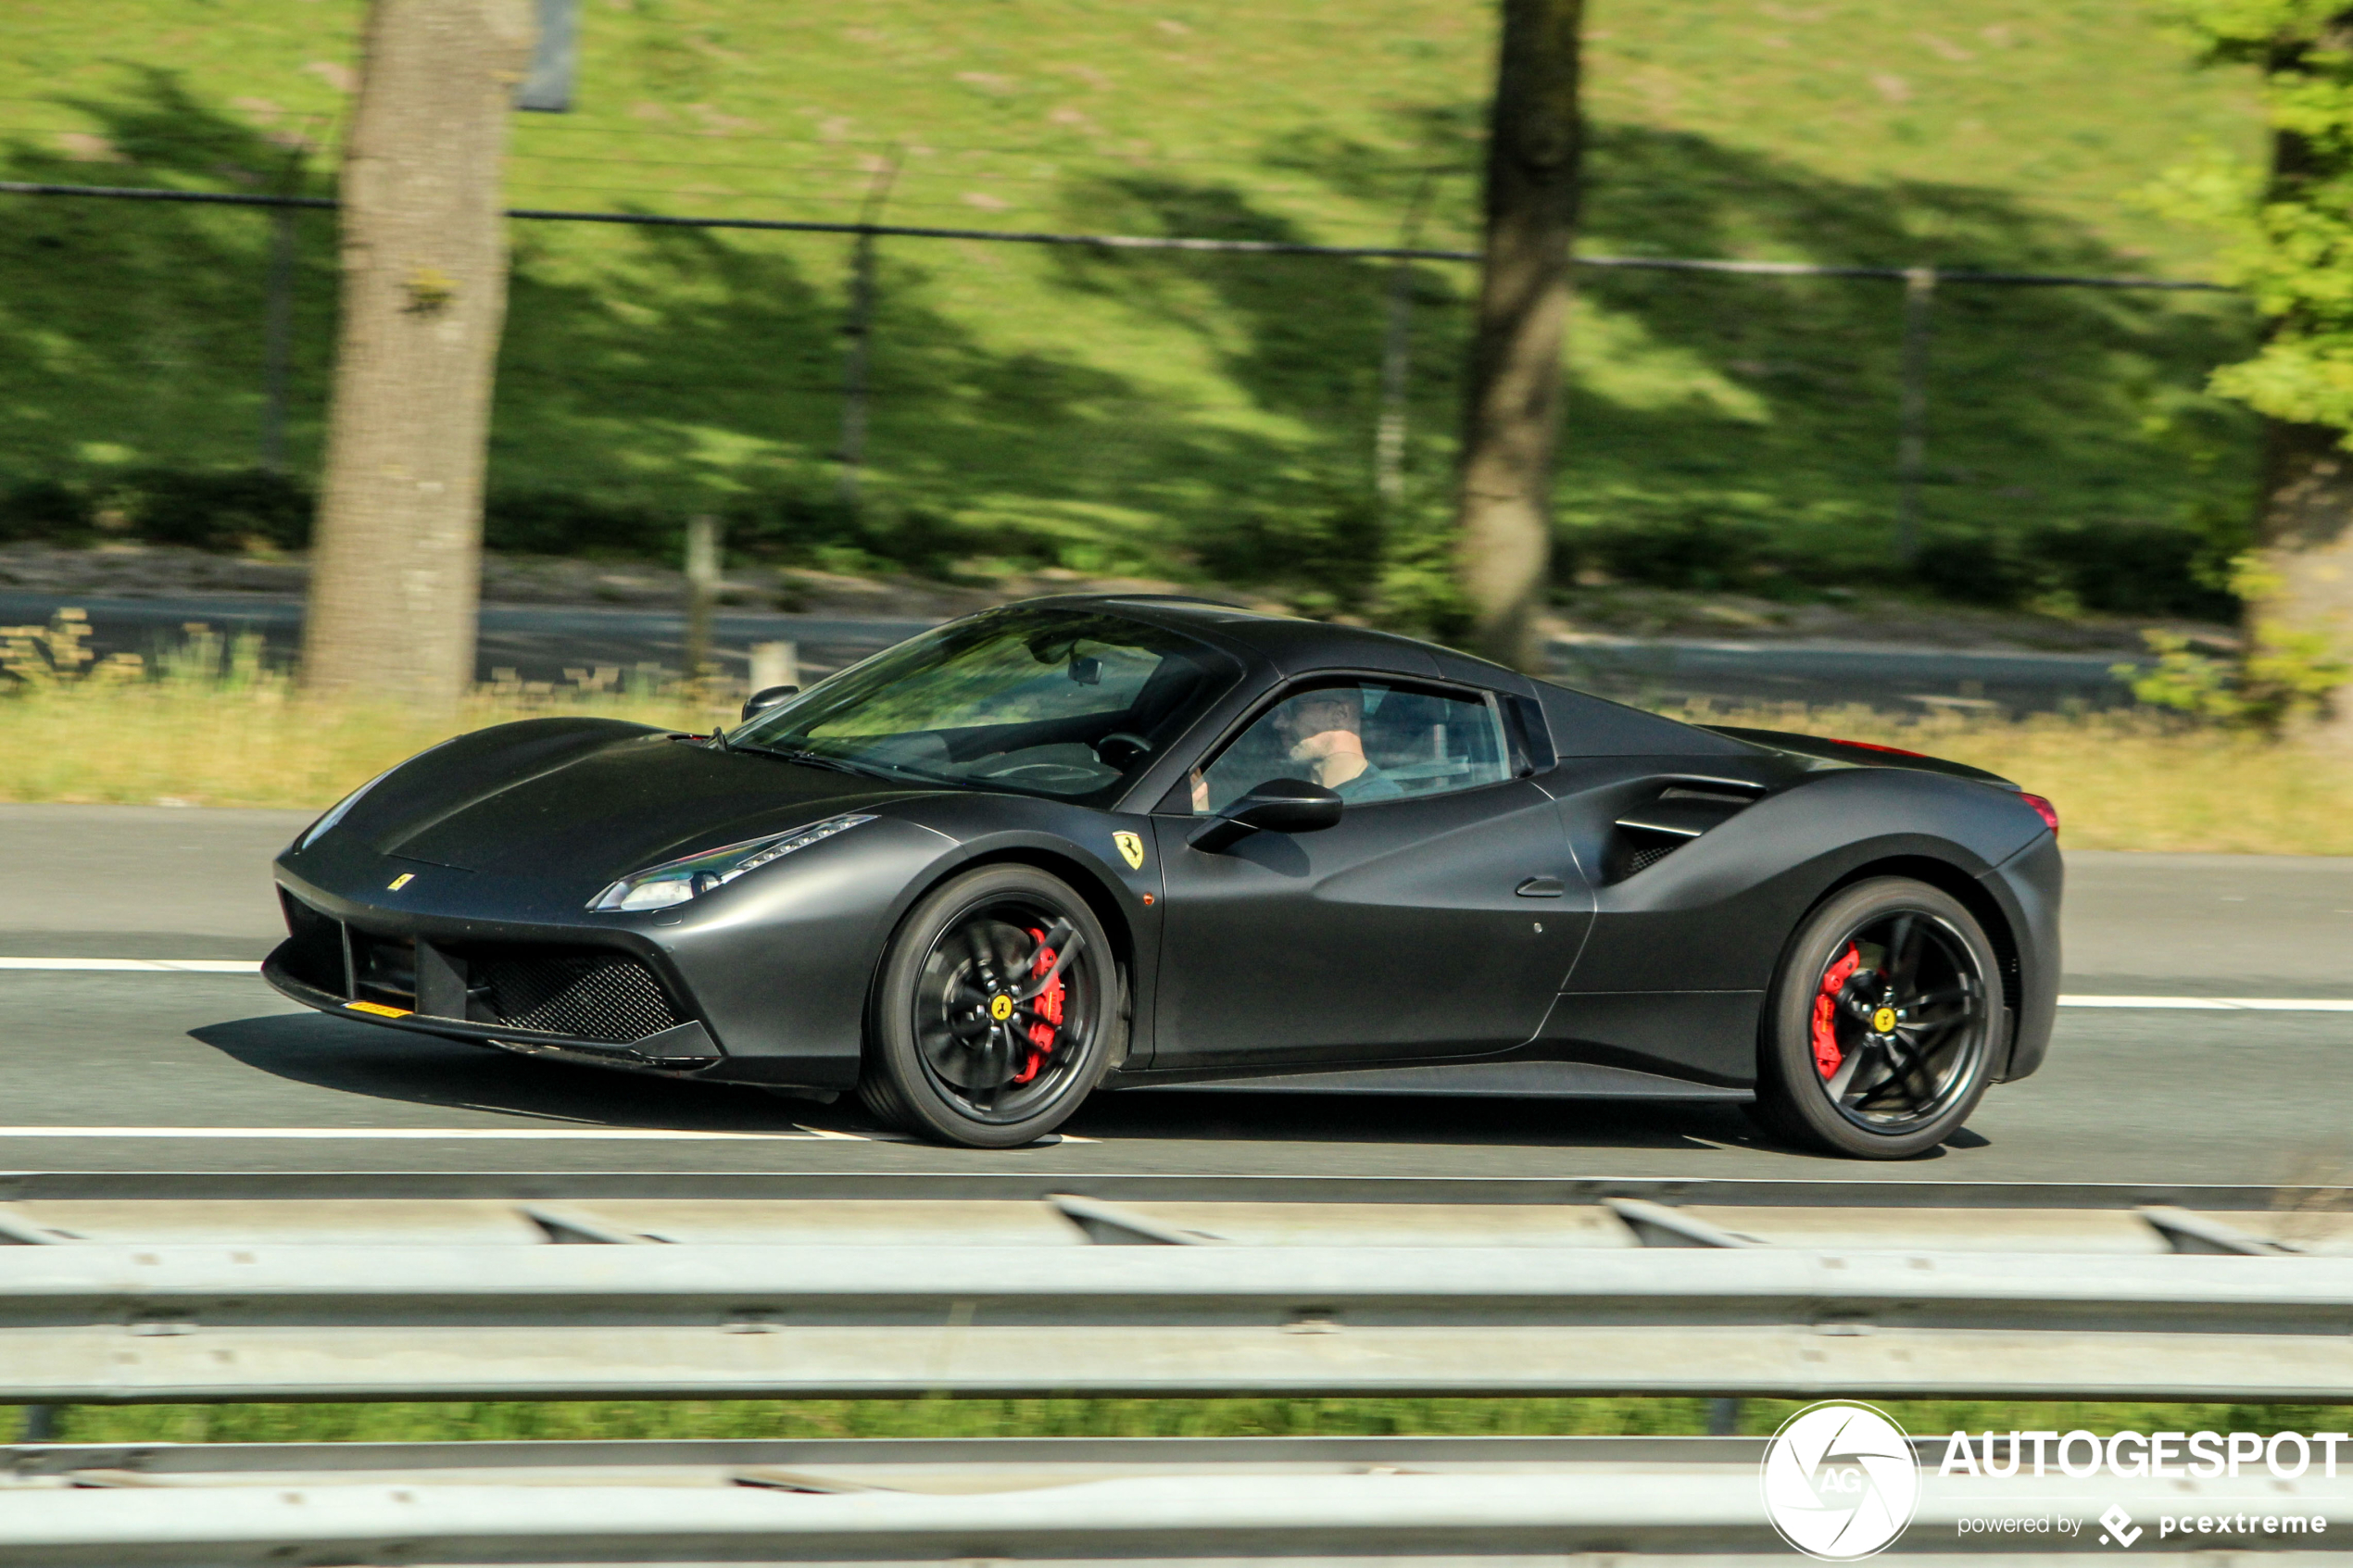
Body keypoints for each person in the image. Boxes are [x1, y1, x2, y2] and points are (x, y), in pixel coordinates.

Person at [1272, 686, 1403, 802]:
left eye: (1291, 709)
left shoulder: (1376, 802)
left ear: (1340, 715)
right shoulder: (1289, 791)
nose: (1278, 723)